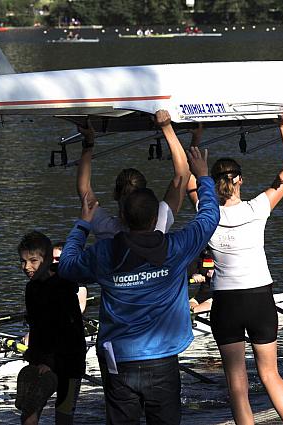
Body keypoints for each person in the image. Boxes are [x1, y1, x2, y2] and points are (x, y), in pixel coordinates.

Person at [58, 147, 219, 424]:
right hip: (162, 357)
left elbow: (67, 267)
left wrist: (82, 226)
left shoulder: (105, 253)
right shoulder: (175, 247)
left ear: (121, 215)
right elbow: (209, 217)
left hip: (118, 360)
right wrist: (203, 177)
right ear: (156, 218)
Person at [187, 116, 283, 425]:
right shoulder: (257, 208)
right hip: (259, 298)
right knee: (269, 373)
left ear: (213, 182)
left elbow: (189, 182)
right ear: (240, 180)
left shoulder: (206, 212)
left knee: (237, 386)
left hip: (226, 302)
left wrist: (196, 140)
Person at [76, 110, 190, 240]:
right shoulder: (161, 222)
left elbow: (84, 188)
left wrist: (88, 144)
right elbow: (183, 173)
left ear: (115, 194)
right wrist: (166, 127)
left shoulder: (105, 228)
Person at [16, 231, 86, 425]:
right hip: (42, 361)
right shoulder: (31, 288)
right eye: (22, 261)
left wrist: (51, 362)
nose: (27, 267)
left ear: (47, 260)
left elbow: (69, 332)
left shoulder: (62, 287)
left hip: (69, 363)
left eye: (33, 261)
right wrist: (34, 354)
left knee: (63, 417)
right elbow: (37, 326)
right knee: (28, 415)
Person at [52, 242, 87, 314]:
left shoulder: (78, 282)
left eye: (57, 259)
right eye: (51, 258)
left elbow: (80, 308)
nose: (53, 262)